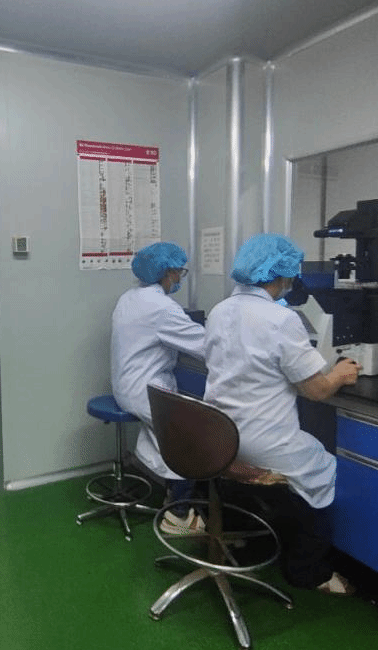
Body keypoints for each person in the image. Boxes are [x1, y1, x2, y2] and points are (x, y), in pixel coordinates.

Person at [203, 233, 361, 594]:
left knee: (293, 470)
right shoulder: (281, 319)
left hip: (220, 436)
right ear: (283, 274)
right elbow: (316, 391)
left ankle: (250, 536)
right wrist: (341, 374)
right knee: (328, 472)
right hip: (264, 443)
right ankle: (308, 569)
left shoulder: (220, 310)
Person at [110, 241, 207, 535]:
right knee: (189, 436)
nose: (179, 279)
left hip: (126, 387)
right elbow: (205, 345)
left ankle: (172, 493)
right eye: (179, 272)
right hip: (146, 390)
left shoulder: (129, 297)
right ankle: (178, 514)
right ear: (167, 273)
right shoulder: (162, 308)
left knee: (175, 433)